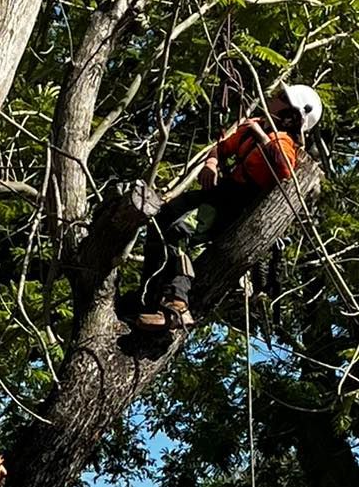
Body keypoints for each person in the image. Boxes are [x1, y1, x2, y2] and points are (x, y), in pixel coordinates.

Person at [134, 81, 321, 331]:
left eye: (282, 98)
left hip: (234, 207)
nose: (274, 97)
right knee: (162, 217)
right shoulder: (252, 126)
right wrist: (211, 164)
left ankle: (177, 304)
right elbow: (220, 148)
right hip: (220, 194)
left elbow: (284, 168)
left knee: (180, 231)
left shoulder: (283, 141)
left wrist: (261, 135)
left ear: (291, 115)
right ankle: (148, 296)